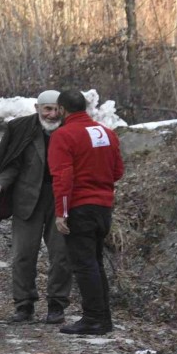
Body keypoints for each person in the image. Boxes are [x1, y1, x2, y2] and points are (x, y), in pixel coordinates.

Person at [0, 90, 73, 324]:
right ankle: (24, 305)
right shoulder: (20, 128)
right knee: (23, 255)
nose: (52, 114)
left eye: (57, 109)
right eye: (47, 109)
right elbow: (11, 164)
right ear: (36, 108)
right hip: (27, 198)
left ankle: (57, 305)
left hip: (62, 199)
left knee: (61, 255)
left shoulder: (71, 129)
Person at [48, 90, 124, 335]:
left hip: (80, 207)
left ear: (62, 109)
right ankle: (102, 318)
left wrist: (61, 212)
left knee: (84, 265)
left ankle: (93, 319)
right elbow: (118, 172)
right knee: (95, 263)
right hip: (104, 208)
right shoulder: (107, 133)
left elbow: (63, 176)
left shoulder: (63, 135)